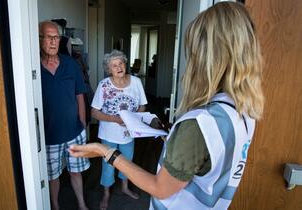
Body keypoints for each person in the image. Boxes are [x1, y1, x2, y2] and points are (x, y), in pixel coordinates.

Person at [68, 2, 264, 210]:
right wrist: (172, 135)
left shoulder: (200, 123)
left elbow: (160, 188)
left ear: (208, 57)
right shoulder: (244, 111)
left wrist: (103, 150)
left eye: (193, 53)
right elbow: (207, 158)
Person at [39, 21, 90, 210]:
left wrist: (83, 123)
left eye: (56, 37)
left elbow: (79, 95)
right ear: (39, 39)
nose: (53, 42)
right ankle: (55, 206)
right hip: (49, 137)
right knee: (53, 176)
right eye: (48, 37)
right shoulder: (32, 67)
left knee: (76, 172)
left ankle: (82, 204)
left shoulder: (70, 63)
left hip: (74, 132)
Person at [90, 50, 148, 210]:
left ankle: (124, 187)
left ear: (125, 64)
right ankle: (106, 193)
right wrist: (115, 119)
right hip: (109, 134)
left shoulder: (136, 82)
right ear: (109, 69)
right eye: (114, 65)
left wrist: (133, 120)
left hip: (129, 133)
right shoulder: (104, 85)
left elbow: (142, 105)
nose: (119, 67)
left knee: (127, 162)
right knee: (108, 164)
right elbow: (94, 112)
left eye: (121, 63)